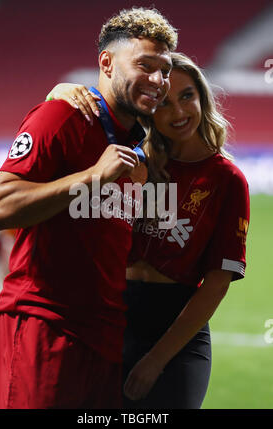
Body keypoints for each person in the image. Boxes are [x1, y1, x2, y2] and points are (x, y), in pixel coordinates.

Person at [0, 7, 177, 409]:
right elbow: (0, 207)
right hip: (44, 328)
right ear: (106, 63)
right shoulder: (59, 116)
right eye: (145, 65)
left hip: (104, 339)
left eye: (165, 70)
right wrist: (93, 176)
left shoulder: (137, 145)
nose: (158, 81)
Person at [46, 51, 250, 409]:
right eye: (165, 102)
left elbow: (217, 283)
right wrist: (60, 91)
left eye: (187, 96)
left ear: (202, 97)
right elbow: (73, 126)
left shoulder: (227, 179)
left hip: (177, 334)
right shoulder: (133, 157)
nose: (178, 112)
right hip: (109, 318)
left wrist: (156, 361)